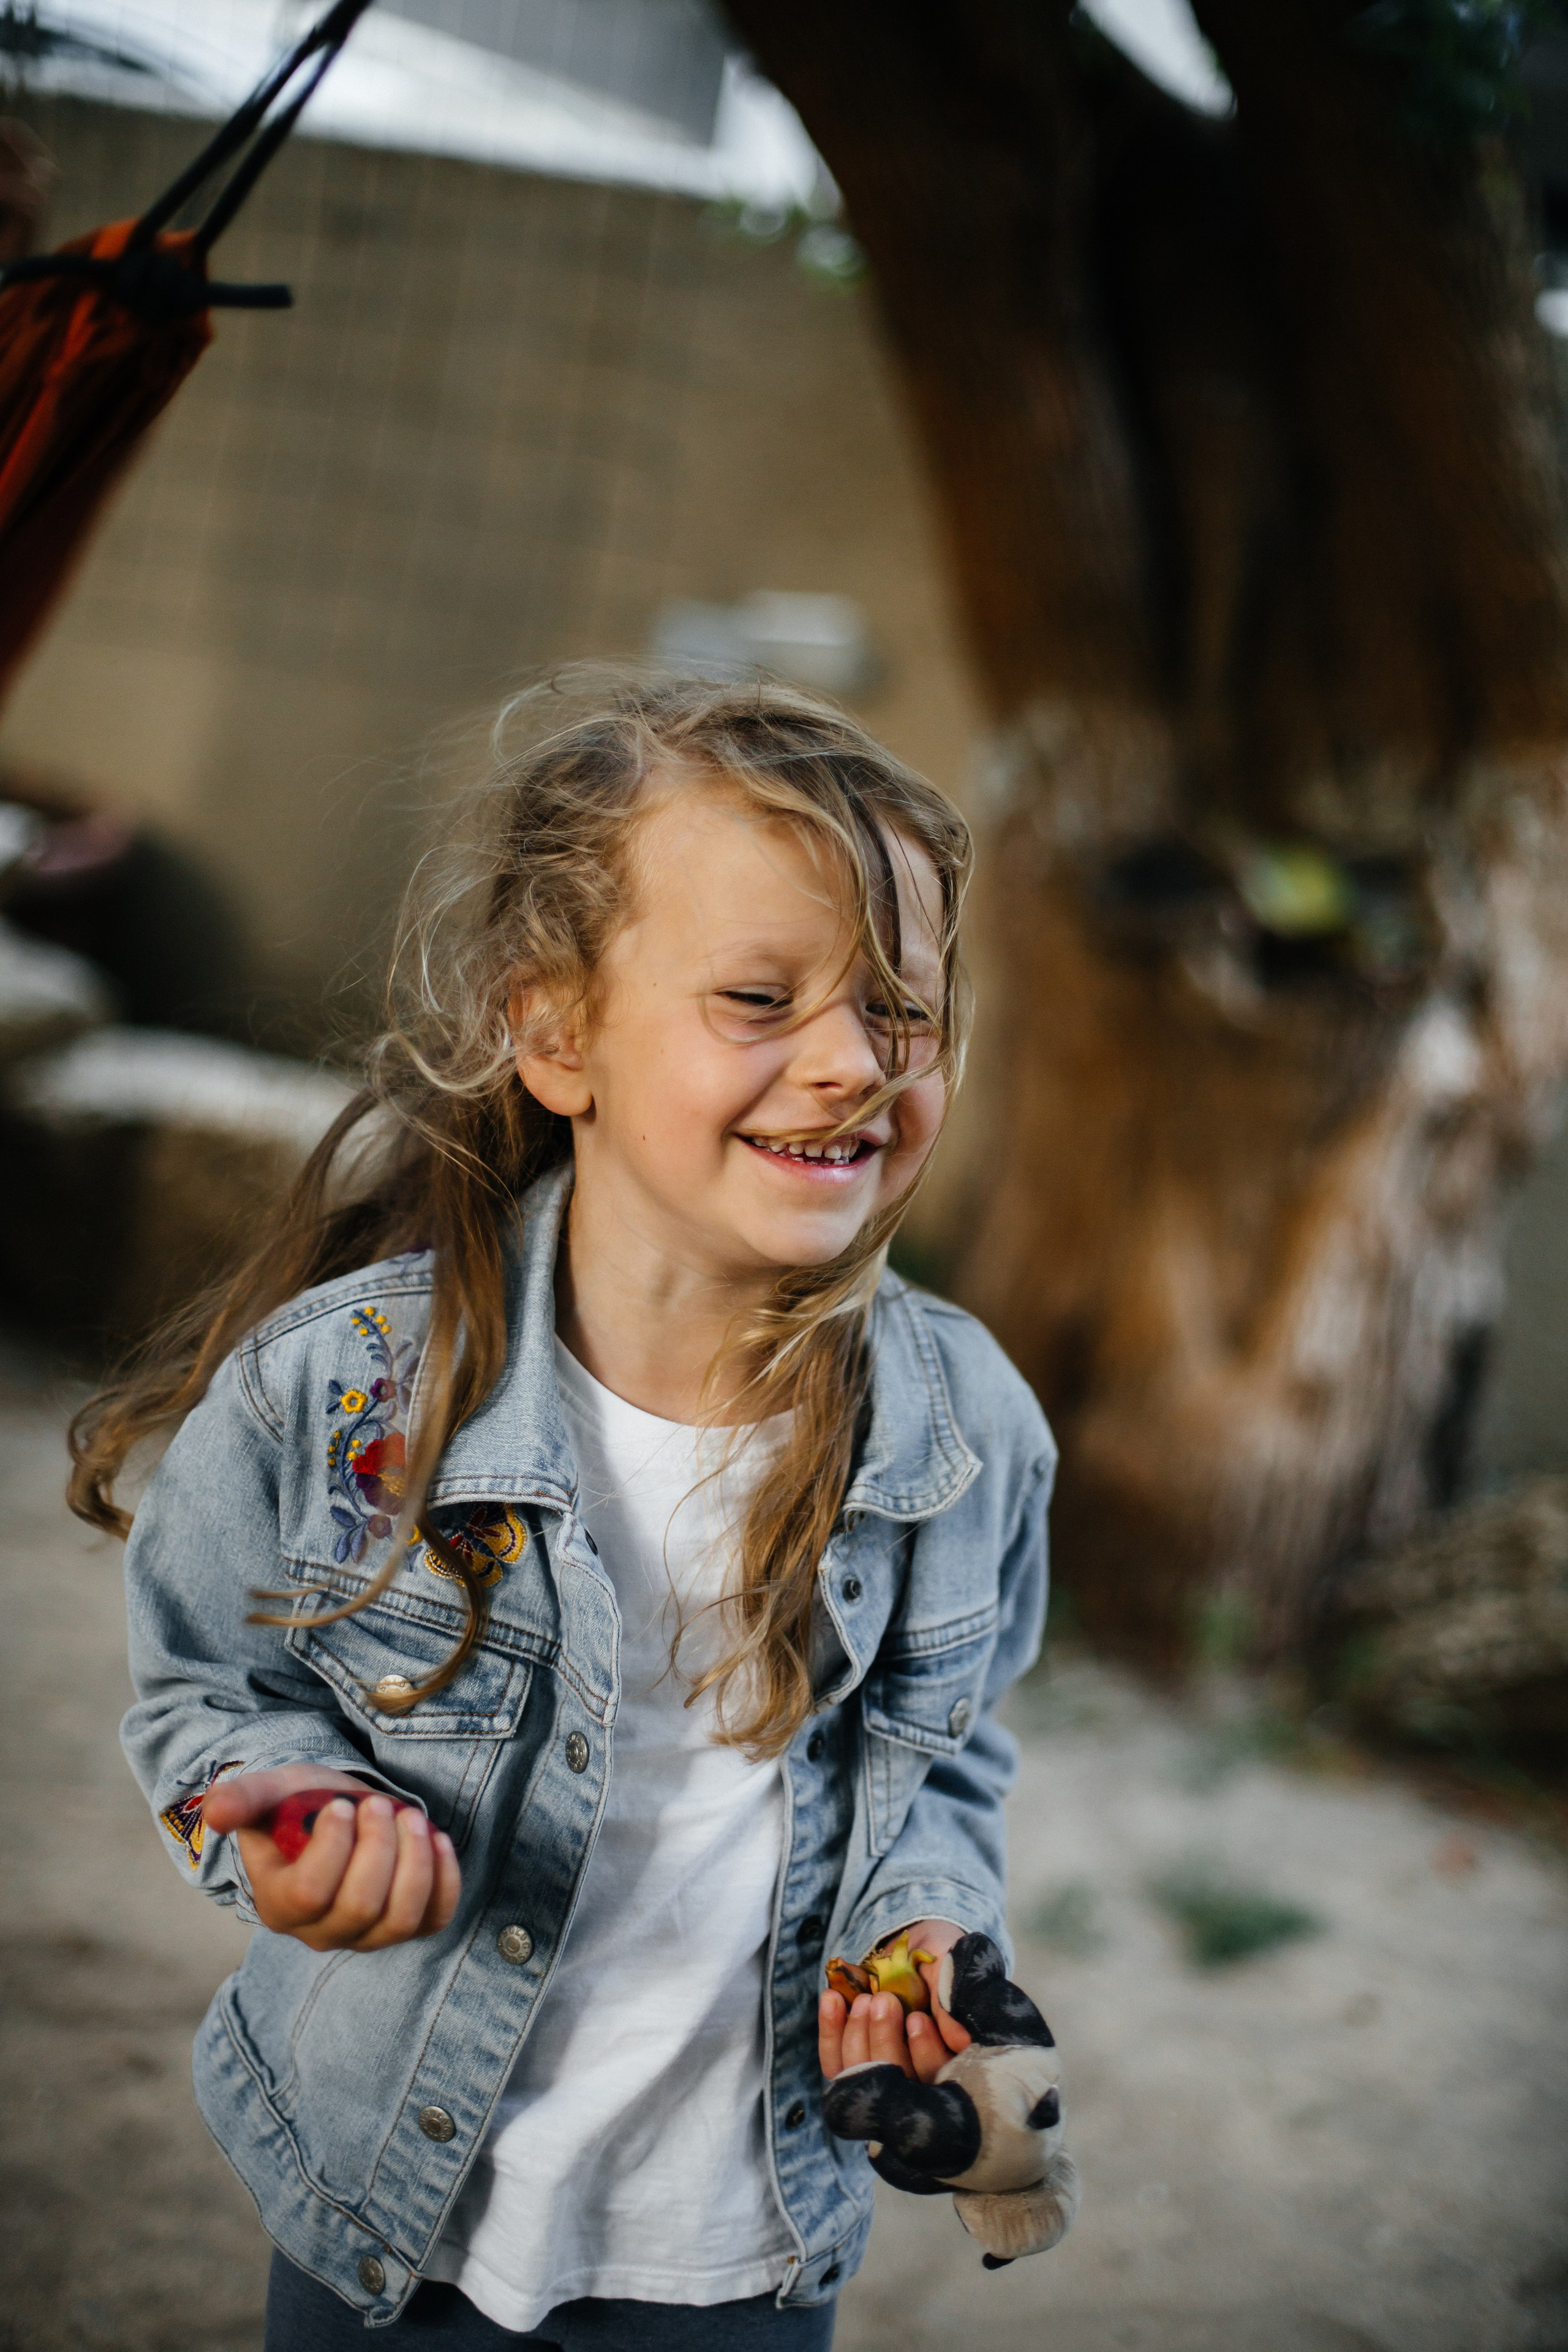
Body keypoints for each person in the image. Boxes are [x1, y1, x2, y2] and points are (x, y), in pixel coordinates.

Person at [71, 674, 1057, 2348]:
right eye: (761, 997)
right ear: (556, 1036)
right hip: (390, 2208)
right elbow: (203, 1692)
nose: (849, 1064)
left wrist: (927, 1928)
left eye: (902, 1012)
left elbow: (945, 1756)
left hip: (738, 2239)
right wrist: (291, 1824)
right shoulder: (342, 1395)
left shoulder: (967, 1430)